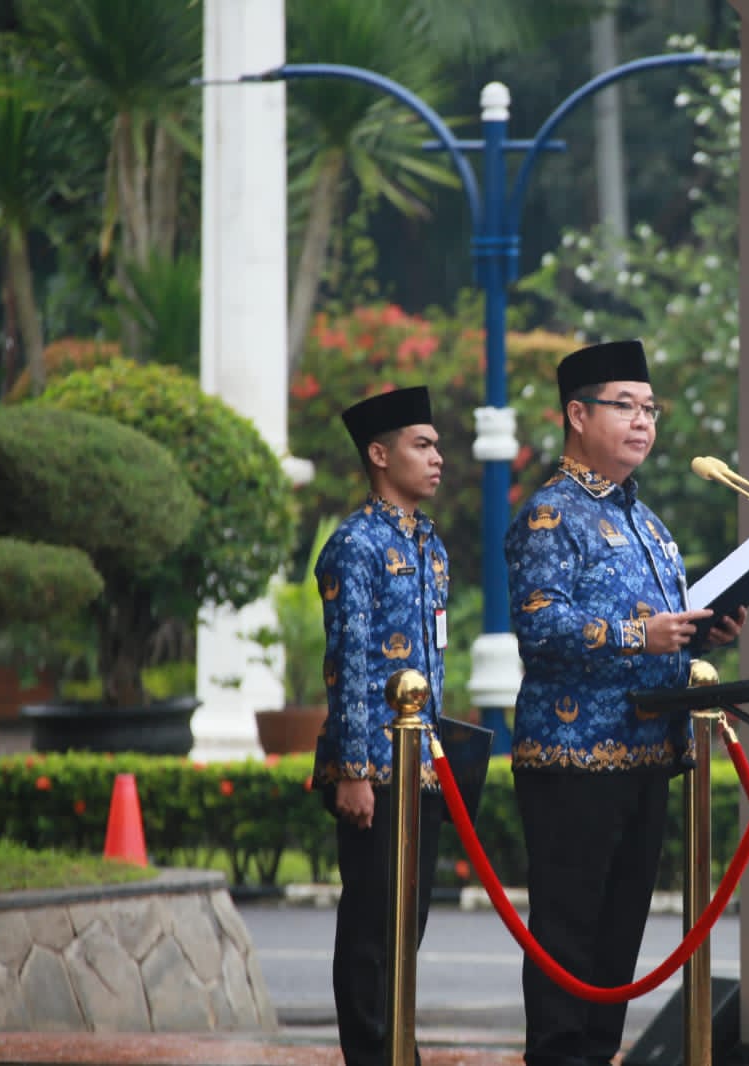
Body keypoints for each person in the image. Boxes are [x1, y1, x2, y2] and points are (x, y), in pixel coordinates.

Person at [504, 338, 746, 1066]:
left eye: (650, 410)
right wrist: (643, 633)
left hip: (647, 754)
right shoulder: (551, 516)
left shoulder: (651, 525)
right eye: (626, 407)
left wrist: (706, 632)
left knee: (616, 948)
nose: (643, 423)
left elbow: (658, 640)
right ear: (577, 415)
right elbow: (540, 625)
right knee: (568, 939)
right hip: (573, 760)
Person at [314, 385, 449, 1066]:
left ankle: (400, 1050)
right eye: (421, 445)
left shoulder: (430, 545)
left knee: (408, 931)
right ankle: (373, 1055)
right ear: (378, 454)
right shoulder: (355, 546)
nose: (438, 458)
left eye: (436, 445)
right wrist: (355, 772)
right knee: (371, 931)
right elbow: (350, 662)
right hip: (373, 772)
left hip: (425, 769)